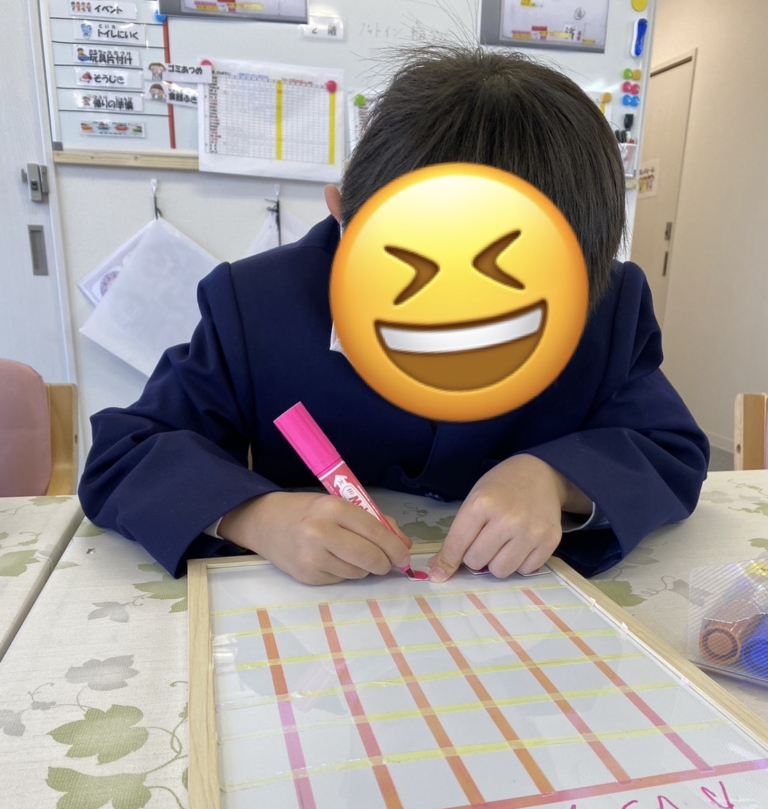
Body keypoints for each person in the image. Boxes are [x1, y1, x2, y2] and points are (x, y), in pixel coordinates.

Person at [78, 46, 709, 586]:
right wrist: (256, 516)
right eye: (413, 273)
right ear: (343, 217)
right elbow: (125, 455)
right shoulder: (255, 304)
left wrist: (558, 479)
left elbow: (670, 446)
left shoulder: (607, 305)